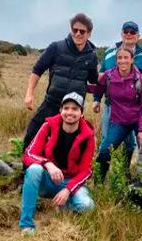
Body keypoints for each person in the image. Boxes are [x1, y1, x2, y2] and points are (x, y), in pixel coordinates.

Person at [22, 13, 99, 159]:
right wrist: (29, 94)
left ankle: (60, 169)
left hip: (73, 109)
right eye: (75, 30)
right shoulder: (56, 47)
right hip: (52, 102)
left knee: (67, 144)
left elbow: (93, 80)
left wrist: (111, 77)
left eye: (82, 31)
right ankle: (26, 165)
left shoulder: (92, 56)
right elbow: (37, 70)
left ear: (89, 34)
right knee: (32, 134)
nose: (78, 34)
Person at [20, 92, 96, 235]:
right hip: (48, 179)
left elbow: (86, 171)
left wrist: (67, 190)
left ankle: (64, 205)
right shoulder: (48, 126)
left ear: (82, 113)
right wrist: (47, 164)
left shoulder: (88, 137)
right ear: (60, 110)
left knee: (87, 206)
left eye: (75, 109)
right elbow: (29, 153)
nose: (70, 112)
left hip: (70, 182)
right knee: (35, 169)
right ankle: (26, 225)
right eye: (66, 108)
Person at [93, 21, 142, 159]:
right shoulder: (109, 53)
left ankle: (126, 168)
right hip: (112, 105)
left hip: (135, 107)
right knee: (108, 140)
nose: (129, 34)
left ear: (138, 36)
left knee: (131, 143)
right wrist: (96, 99)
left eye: (132, 32)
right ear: (121, 34)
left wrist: (137, 89)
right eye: (126, 32)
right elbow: (101, 80)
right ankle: (106, 168)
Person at [88, 46, 142, 181]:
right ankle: (99, 183)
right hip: (119, 121)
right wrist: (79, 84)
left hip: (137, 120)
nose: (123, 61)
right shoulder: (109, 76)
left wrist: (141, 130)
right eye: (120, 58)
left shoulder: (141, 80)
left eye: (126, 58)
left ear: (132, 60)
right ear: (116, 60)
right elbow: (98, 89)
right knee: (105, 150)